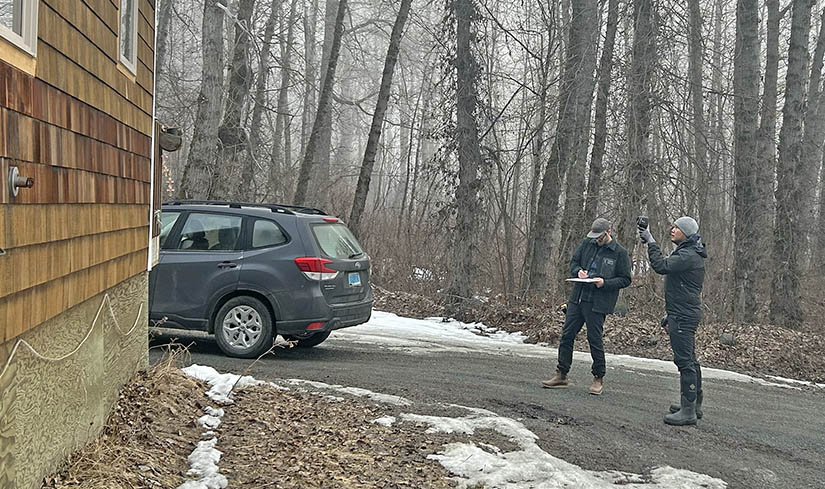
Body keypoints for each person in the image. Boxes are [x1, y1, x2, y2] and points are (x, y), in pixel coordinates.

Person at [542, 218, 631, 395]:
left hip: (598, 302)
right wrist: (578, 272)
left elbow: (625, 279)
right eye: (595, 236)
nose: (597, 239)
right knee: (567, 335)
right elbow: (573, 263)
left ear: (609, 232)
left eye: (600, 236)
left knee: (594, 339)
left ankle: (598, 377)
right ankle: (561, 374)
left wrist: (604, 282)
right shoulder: (586, 244)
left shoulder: (620, 253)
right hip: (578, 298)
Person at [638, 216, 707, 426]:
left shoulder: (688, 255)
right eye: (673, 226)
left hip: (684, 315)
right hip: (683, 311)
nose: (672, 229)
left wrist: (650, 241)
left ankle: (688, 411)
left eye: (677, 228)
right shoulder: (689, 252)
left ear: (687, 232)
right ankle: (693, 404)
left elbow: (661, 266)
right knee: (691, 359)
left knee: (685, 361)